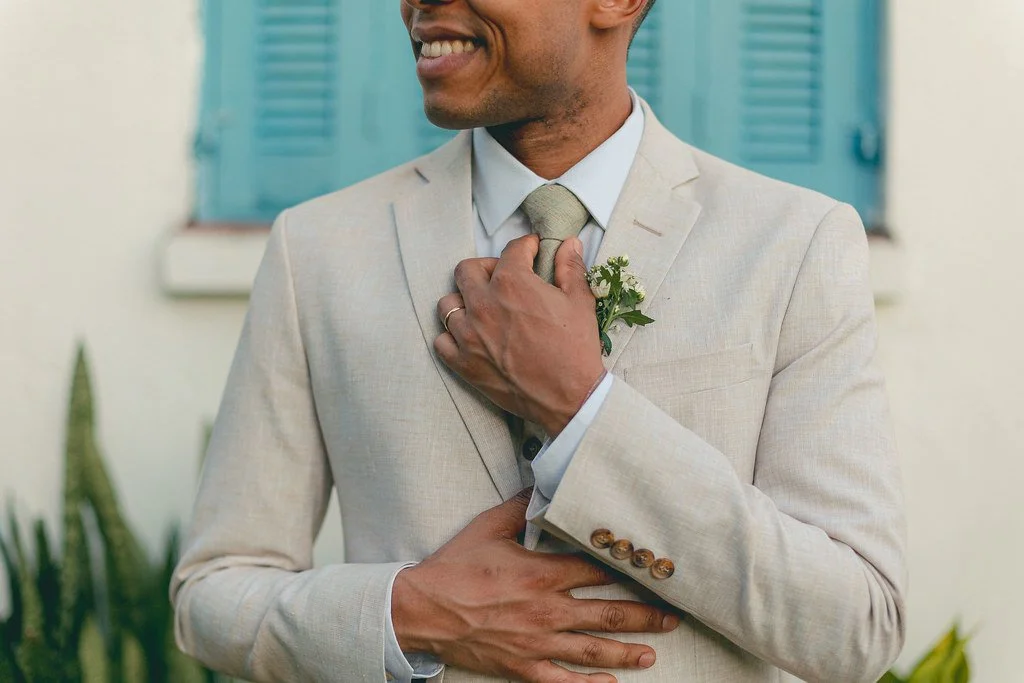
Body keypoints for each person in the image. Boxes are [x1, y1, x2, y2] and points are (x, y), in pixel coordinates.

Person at [171, 0, 907, 681]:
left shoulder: (794, 243)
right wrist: (410, 610)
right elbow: (212, 592)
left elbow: (857, 624)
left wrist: (581, 411)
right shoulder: (318, 248)